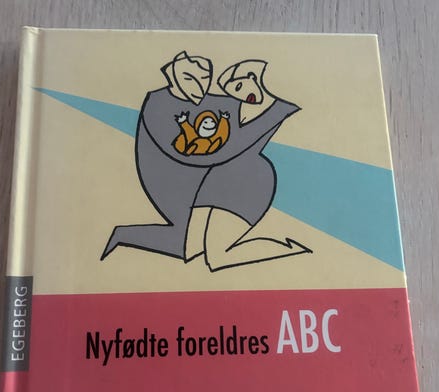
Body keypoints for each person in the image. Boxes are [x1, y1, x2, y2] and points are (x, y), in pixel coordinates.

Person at [101, 53, 310, 270]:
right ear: (172, 75)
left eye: (205, 78)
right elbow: (208, 155)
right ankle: (122, 235)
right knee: (189, 249)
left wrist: (274, 109)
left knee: (216, 258)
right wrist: (275, 112)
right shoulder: (157, 105)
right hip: (196, 189)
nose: (199, 86)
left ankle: (294, 251)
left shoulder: (218, 102)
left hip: (241, 181)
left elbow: (245, 141)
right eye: (189, 78)